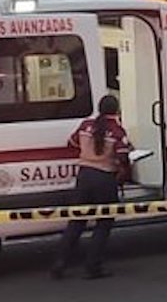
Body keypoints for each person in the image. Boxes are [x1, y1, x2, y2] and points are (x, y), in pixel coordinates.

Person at [51, 95, 133, 280]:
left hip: (84, 177)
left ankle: (60, 263)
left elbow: (71, 142)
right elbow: (123, 158)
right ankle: (92, 266)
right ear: (116, 110)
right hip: (104, 179)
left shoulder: (86, 125)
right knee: (103, 224)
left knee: (76, 222)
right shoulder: (117, 131)